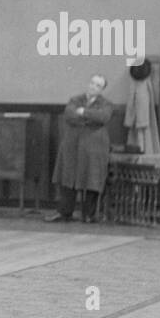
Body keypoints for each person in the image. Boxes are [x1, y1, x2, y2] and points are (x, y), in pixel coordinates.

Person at [48, 73, 113, 224]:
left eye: (98, 85)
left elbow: (103, 117)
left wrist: (83, 112)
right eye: (92, 83)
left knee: (92, 179)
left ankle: (89, 215)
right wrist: (90, 118)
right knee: (68, 178)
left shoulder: (106, 104)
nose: (93, 87)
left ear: (102, 89)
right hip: (72, 145)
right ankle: (64, 212)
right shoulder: (75, 100)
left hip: (94, 148)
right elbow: (69, 114)